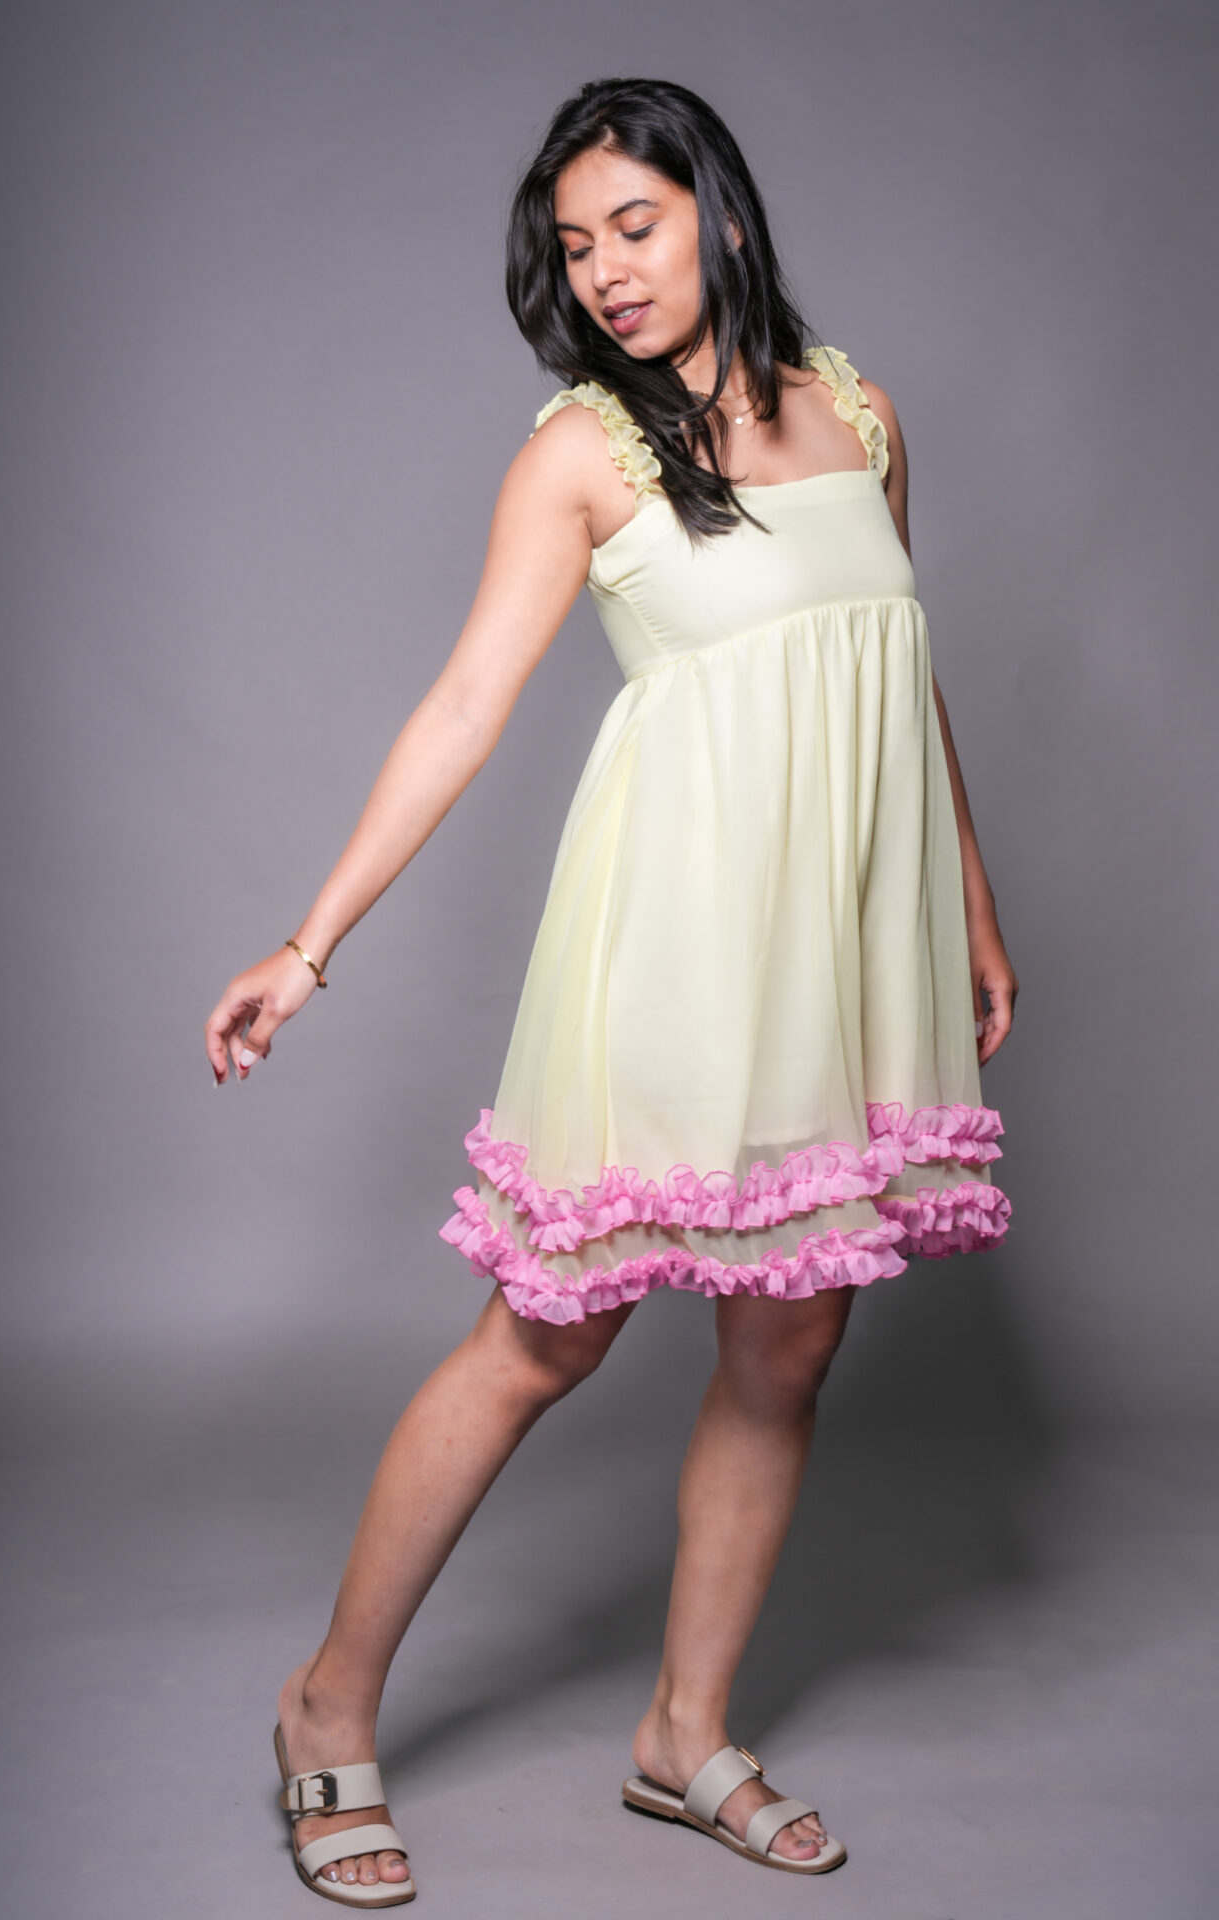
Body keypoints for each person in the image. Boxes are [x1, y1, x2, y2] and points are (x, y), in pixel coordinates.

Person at [204, 75, 1018, 1909]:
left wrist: (970, 904)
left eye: (631, 227)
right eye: (575, 249)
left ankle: (683, 1729)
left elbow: (900, 670)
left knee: (792, 1338)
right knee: (548, 1333)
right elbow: (462, 708)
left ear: (714, 208)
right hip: (681, 941)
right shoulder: (583, 452)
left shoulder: (861, 412)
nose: (605, 273)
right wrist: (309, 943)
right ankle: (328, 1702)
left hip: (845, 945)